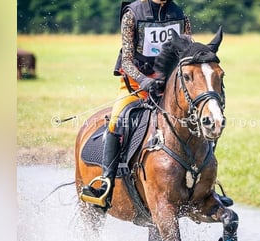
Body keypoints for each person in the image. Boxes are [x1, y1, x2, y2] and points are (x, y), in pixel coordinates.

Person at [82, 0, 233, 208]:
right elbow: (126, 60)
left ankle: (206, 185)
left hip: (169, 86)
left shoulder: (179, 14)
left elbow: (189, 54)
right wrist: (145, 81)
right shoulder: (132, 14)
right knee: (116, 122)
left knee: (201, 120)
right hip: (136, 85)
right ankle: (105, 184)